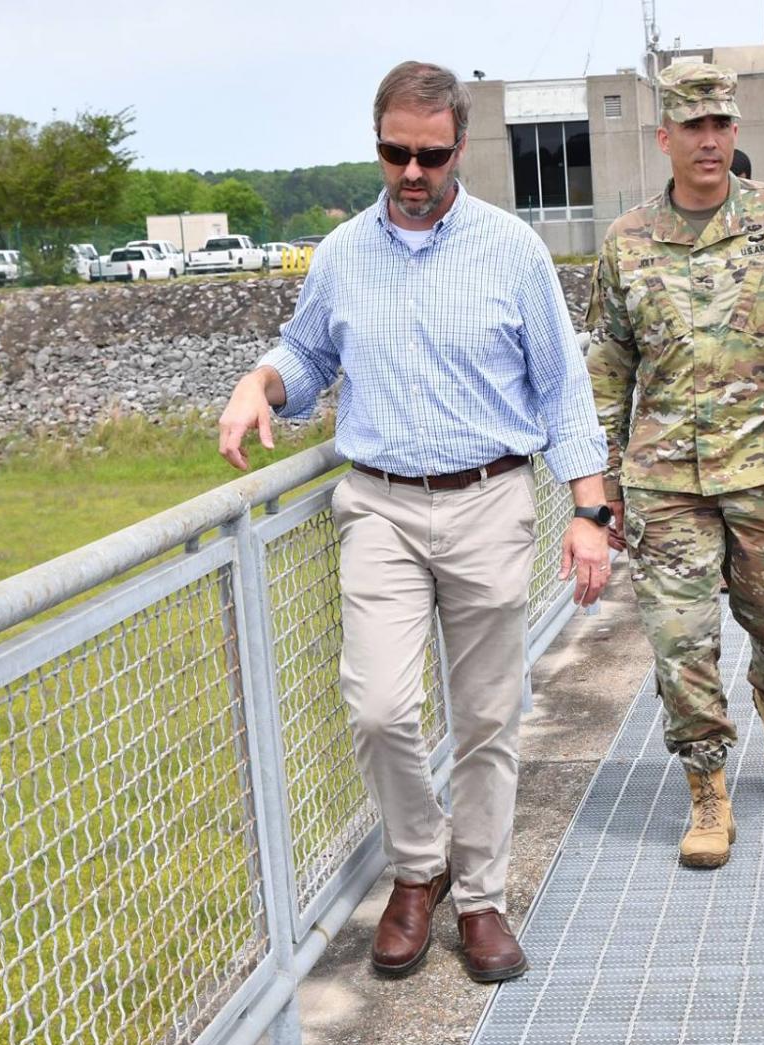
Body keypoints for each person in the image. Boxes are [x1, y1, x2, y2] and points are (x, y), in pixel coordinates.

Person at [217, 60, 612, 982]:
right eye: (396, 152)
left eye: (430, 155)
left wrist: (589, 511)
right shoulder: (344, 252)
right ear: (379, 142)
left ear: (460, 149)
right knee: (381, 706)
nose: (412, 172)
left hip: (490, 500)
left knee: (484, 718)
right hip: (382, 506)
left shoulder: (512, 251)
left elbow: (564, 389)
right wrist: (257, 383)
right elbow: (306, 355)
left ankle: (479, 899)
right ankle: (418, 868)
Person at [586, 62, 764, 869]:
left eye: (721, 126)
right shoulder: (629, 241)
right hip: (664, 482)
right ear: (665, 136)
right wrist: (600, 488)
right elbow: (609, 369)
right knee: (680, 642)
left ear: (736, 134)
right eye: (692, 127)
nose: (708, 141)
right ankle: (707, 789)